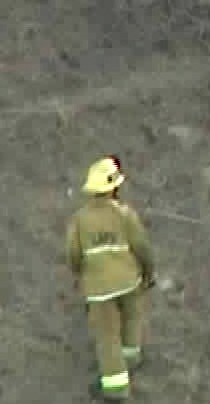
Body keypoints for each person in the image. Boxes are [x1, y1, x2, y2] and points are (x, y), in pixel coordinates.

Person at [64, 156, 154, 400]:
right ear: (114, 188)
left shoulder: (80, 220)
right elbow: (141, 246)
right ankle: (131, 360)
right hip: (129, 280)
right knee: (132, 317)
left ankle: (116, 388)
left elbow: (73, 254)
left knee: (107, 337)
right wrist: (148, 273)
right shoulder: (125, 215)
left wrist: (78, 274)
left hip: (98, 289)